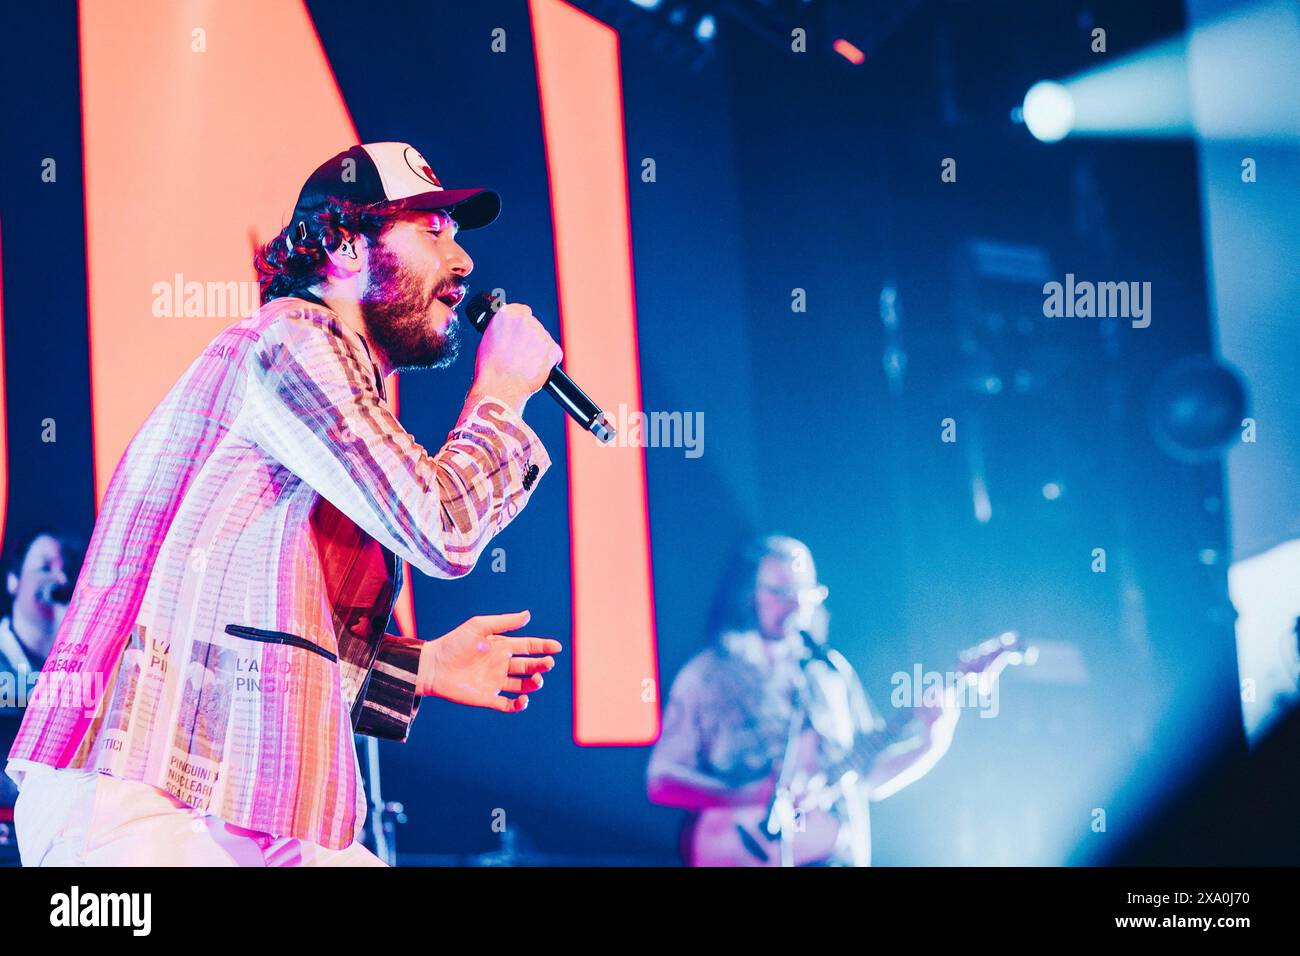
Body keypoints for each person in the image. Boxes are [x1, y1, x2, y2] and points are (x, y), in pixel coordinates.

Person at [6, 142, 564, 866]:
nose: (462, 263)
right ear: (340, 245)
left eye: (457, 237)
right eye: (432, 229)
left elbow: (261, 637)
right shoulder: (292, 340)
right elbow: (443, 527)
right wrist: (500, 400)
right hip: (136, 786)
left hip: (213, 796)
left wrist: (418, 668)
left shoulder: (309, 384)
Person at [647, 534, 960, 866]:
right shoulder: (707, 676)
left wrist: (931, 743)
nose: (796, 605)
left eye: (804, 592)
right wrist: (752, 794)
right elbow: (662, 781)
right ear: (747, 596)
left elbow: (866, 777)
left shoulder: (830, 672)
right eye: (781, 593)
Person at [0, 528, 80, 811]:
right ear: (13, 581)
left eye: (64, 570)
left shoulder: (81, 665)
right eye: (45, 567)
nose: (60, 579)